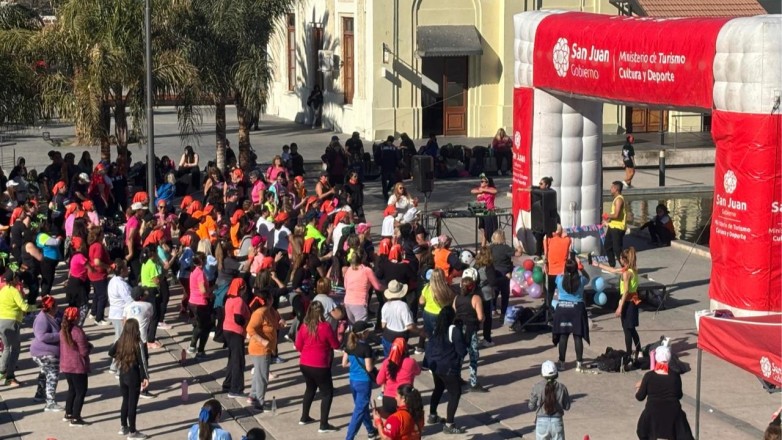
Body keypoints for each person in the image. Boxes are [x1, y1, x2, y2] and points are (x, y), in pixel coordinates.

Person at [294, 301, 340, 433]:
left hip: (305, 363)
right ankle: (323, 424)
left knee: (310, 389)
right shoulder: (325, 327)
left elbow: (298, 346)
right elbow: (335, 345)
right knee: (327, 393)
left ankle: (304, 417)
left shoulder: (304, 326)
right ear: (322, 312)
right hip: (320, 364)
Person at [635, 346, 693, 440]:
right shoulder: (675, 376)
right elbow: (679, 395)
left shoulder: (649, 376)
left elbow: (639, 397)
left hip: (653, 414)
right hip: (673, 414)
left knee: (642, 430)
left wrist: (639, 387)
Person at [425, 307, 467, 434]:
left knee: (438, 388)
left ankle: (432, 415)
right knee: (455, 393)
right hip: (448, 367)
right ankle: (449, 424)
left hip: (435, 366)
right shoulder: (454, 330)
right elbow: (461, 350)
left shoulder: (437, 329)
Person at [247, 288, 284, 411]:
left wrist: (280, 322)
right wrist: (262, 341)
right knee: (263, 377)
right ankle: (259, 402)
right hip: (259, 350)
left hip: (266, 349)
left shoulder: (271, 310)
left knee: (259, 373)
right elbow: (250, 329)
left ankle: (253, 396)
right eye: (271, 297)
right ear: (268, 300)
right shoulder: (259, 313)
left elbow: (275, 322)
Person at [341, 321, 380, 440]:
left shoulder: (349, 345)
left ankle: (370, 431)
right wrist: (374, 360)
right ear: (363, 333)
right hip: (364, 382)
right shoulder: (366, 348)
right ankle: (349, 437)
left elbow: (344, 364)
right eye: (367, 331)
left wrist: (355, 365)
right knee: (359, 411)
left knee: (362, 408)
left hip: (352, 381)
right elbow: (369, 368)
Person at [552, 259, 590, 372]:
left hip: (562, 308)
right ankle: (579, 364)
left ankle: (562, 363)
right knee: (577, 336)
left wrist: (565, 268)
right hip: (577, 309)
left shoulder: (559, 279)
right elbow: (588, 278)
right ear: (576, 268)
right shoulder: (581, 280)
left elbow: (559, 276)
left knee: (563, 336)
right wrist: (582, 269)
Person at [0, 270, 35, 387]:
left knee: (7, 348)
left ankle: (3, 373)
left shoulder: (3, 290)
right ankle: (8, 376)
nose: (18, 279)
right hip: (11, 322)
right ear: (13, 280)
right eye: (16, 278)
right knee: (15, 349)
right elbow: (24, 307)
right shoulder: (14, 291)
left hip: (1, 322)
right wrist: (37, 307)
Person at [453, 274, 487, 392]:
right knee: (473, 355)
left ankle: (456, 378)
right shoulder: (476, 298)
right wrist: (482, 319)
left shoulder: (456, 298)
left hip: (459, 330)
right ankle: (473, 382)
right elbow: (480, 317)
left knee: (459, 354)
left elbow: (454, 311)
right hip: (471, 330)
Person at [59, 306, 92, 427]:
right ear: (76, 317)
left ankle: (68, 413)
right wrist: (89, 347)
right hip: (78, 366)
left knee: (72, 389)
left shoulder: (62, 330)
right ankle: (76, 417)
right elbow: (84, 352)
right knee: (81, 392)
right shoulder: (78, 332)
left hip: (66, 365)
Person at [31, 295, 61, 411]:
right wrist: (60, 335)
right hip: (44, 352)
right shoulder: (42, 319)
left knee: (44, 372)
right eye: (56, 305)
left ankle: (40, 394)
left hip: (47, 352)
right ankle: (50, 403)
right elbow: (41, 336)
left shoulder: (55, 315)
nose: (58, 307)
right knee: (52, 375)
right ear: (51, 307)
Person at [377, 338, 421, 415]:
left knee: (390, 421)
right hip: (405, 398)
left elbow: (379, 381)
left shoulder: (386, 362)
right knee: (406, 421)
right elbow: (418, 372)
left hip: (388, 399)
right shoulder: (411, 362)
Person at [529, 360, 571, 440]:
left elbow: (531, 406)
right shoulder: (562, 387)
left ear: (542, 374)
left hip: (541, 422)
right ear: (556, 374)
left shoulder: (537, 387)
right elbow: (567, 406)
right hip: (557, 421)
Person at [223, 279, 251, 398]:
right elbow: (238, 318)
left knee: (232, 359)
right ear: (241, 289)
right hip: (236, 332)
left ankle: (228, 384)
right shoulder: (239, 300)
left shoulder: (229, 299)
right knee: (238, 361)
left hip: (227, 330)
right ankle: (235, 389)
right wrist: (246, 323)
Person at [616, 247, 642, 364]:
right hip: (633, 302)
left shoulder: (627, 274)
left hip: (628, 302)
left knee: (627, 330)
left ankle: (629, 354)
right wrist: (598, 264)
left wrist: (620, 306)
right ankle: (638, 350)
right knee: (631, 329)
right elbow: (613, 270)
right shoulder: (633, 270)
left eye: (620, 258)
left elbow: (626, 291)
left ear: (623, 260)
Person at [343, 249, 383, 324]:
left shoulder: (349, 270)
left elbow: (346, 286)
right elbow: (377, 287)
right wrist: (386, 287)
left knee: (353, 327)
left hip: (347, 301)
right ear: (364, 257)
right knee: (361, 328)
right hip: (360, 303)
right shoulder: (367, 270)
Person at [108, 260, 133, 374]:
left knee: (118, 339)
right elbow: (129, 299)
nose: (128, 269)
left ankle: (114, 366)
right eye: (126, 268)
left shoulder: (114, 280)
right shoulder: (121, 284)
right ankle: (119, 368)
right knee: (122, 342)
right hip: (120, 315)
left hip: (115, 314)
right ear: (122, 270)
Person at [188, 253, 213, 357]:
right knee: (205, 327)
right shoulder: (200, 273)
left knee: (198, 325)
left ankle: (193, 346)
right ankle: (200, 350)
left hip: (192, 301)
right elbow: (202, 290)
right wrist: (210, 293)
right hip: (201, 303)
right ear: (202, 262)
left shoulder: (193, 271)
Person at [472, 247, 497, 346]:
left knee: (476, 316)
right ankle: (487, 339)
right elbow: (493, 281)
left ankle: (474, 337)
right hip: (486, 295)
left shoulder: (475, 265)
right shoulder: (489, 266)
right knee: (487, 318)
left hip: (475, 294)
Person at [544, 225, 571, 315]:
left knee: (550, 291)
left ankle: (549, 309)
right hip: (562, 271)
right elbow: (568, 238)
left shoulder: (548, 240)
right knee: (563, 292)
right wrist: (564, 234)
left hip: (551, 271)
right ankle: (565, 309)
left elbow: (545, 252)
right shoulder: (566, 240)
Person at [489, 230, 516, 318]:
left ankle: (493, 309)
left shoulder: (490, 248)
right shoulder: (506, 248)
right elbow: (517, 254)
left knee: (494, 292)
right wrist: (519, 248)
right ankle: (503, 313)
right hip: (505, 273)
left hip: (493, 273)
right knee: (505, 295)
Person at [603, 181, 627, 268]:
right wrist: (607, 221)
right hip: (612, 226)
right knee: (607, 246)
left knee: (617, 249)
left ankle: (624, 266)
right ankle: (612, 266)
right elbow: (615, 215)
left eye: (612, 187)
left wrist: (606, 215)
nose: (610, 189)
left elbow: (616, 215)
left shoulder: (619, 200)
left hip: (618, 228)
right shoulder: (616, 199)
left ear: (616, 189)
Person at [471, 174, 498, 246]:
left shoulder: (491, 189)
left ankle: (493, 245)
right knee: (483, 230)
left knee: (490, 230)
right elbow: (472, 191)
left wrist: (483, 190)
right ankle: (483, 247)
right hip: (481, 212)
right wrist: (480, 191)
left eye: (484, 181)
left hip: (489, 212)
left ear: (487, 183)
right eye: (481, 181)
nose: (482, 183)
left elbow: (495, 191)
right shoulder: (479, 189)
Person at [378, 136, 400, 200]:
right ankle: (385, 193)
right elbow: (397, 157)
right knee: (386, 180)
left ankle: (386, 191)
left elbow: (377, 155)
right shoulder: (383, 146)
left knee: (391, 180)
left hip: (389, 166)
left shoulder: (392, 147)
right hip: (387, 166)